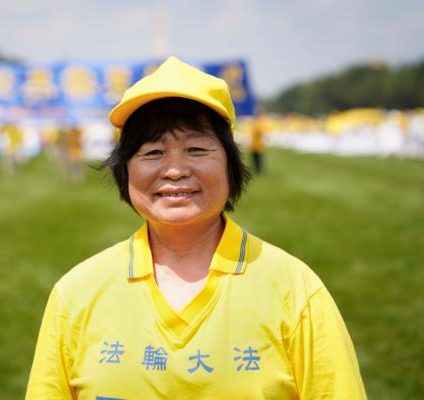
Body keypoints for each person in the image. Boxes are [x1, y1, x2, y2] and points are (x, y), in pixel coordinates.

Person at [25, 57, 366, 399]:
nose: (174, 170)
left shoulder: (295, 290)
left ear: (230, 164)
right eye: (152, 152)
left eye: (196, 149)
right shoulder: (75, 295)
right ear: (124, 169)